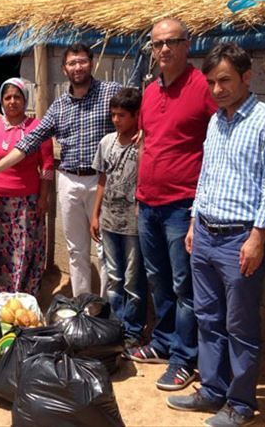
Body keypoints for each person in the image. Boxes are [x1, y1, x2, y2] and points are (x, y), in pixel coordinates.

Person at [167, 43, 265, 427]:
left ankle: (241, 404)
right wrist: (193, 223)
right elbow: (206, 176)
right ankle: (212, 389)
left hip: (240, 240)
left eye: (225, 81)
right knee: (207, 317)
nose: (217, 89)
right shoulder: (216, 121)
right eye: (212, 82)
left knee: (240, 325)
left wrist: (258, 237)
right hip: (204, 233)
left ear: (246, 77)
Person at [0, 43, 121, 298]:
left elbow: (134, 117)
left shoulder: (111, 92)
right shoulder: (59, 106)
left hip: (102, 181)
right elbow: (30, 141)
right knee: (76, 249)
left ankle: (106, 307)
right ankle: (82, 303)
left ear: (91, 63)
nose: (77, 67)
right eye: (72, 63)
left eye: (82, 61)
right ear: (64, 68)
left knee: (105, 249)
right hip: (69, 180)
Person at [127, 18, 217, 392]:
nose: (164, 49)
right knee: (157, 279)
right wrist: (139, 194)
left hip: (183, 205)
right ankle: (162, 342)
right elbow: (147, 142)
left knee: (184, 286)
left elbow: (217, 145)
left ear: (187, 45)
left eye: (172, 42)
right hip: (148, 203)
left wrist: (201, 207)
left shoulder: (203, 87)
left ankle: (184, 357)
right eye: (158, 43)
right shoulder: (150, 92)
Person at [0, 78, 54, 296]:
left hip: (27, 202)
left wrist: (43, 197)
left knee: (24, 248)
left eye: (17, 97)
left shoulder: (37, 127)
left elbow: (47, 166)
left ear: (25, 100)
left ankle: (22, 294)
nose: (12, 102)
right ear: (1, 101)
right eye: (7, 97)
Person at [90, 87, 147, 350]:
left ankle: (133, 331)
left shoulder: (144, 143)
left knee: (133, 280)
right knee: (114, 277)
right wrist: (95, 214)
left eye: (122, 115)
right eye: (113, 115)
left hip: (133, 225)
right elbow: (102, 179)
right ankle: (115, 327)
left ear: (136, 115)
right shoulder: (107, 142)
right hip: (109, 221)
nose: (116, 120)